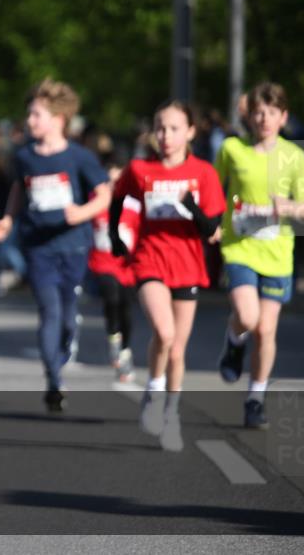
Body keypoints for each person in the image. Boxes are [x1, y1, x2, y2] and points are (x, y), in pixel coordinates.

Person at [109, 101, 226, 451]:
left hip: (187, 264)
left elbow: (212, 230)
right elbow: (118, 198)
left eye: (174, 128)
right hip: (149, 260)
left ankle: (171, 414)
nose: (166, 135)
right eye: (160, 128)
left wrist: (191, 207)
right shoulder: (140, 168)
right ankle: (155, 391)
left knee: (177, 350)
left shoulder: (203, 173)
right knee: (164, 331)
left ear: (190, 132)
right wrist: (117, 237)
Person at [0, 79, 110, 412]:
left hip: (73, 246)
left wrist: (81, 212)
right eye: (29, 115)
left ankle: (62, 355)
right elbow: (19, 189)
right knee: (50, 312)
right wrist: (8, 220)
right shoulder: (25, 156)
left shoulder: (79, 157)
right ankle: (54, 380)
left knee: (69, 318)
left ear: (58, 119)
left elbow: (104, 194)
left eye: (36, 115)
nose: (30, 121)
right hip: (38, 246)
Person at [215, 83, 304, 429]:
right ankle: (233, 338)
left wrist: (287, 206)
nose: (264, 118)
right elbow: (215, 191)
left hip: (276, 251)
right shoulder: (232, 149)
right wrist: (212, 222)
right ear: (249, 114)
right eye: (258, 111)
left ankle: (255, 398)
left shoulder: (295, 156)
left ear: (283, 117)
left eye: (272, 112)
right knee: (247, 315)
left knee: (267, 330)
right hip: (240, 246)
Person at [87, 153, 140, 383]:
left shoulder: (134, 205)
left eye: (118, 181)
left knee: (126, 307)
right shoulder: (95, 201)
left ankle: (125, 351)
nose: (113, 186)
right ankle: (113, 337)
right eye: (109, 181)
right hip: (102, 261)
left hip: (127, 265)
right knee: (111, 297)